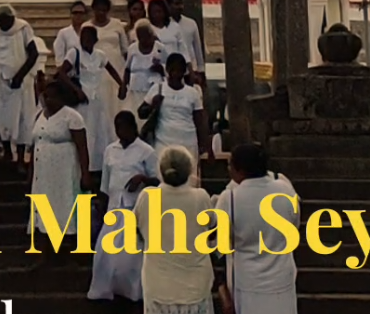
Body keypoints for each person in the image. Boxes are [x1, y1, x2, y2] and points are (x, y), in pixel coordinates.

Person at [211, 143, 299, 314]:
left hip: (247, 282)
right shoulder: (286, 190)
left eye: (230, 165)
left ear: (240, 169)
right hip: (282, 278)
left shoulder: (229, 198)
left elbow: (221, 244)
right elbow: (293, 226)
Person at [134, 144, 216, 314]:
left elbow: (135, 232)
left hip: (158, 285)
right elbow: (213, 232)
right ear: (189, 171)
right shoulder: (201, 198)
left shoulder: (147, 197)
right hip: (196, 286)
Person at [87, 110, 158, 302]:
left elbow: (158, 181)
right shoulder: (111, 150)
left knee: (131, 256)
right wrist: (102, 203)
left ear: (133, 128)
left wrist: (142, 178)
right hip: (113, 206)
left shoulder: (146, 151)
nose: (121, 132)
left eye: (125, 128)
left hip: (135, 208)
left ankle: (133, 293)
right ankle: (103, 290)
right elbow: (105, 181)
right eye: (118, 128)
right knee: (105, 251)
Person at [57, 25, 125, 173]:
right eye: (83, 37)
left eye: (89, 38)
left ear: (95, 40)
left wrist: (121, 85)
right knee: (84, 129)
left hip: (98, 98)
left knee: (99, 130)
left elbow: (111, 69)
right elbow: (61, 73)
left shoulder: (100, 55)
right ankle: (82, 166)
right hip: (82, 100)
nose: (85, 41)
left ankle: (97, 166)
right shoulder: (74, 53)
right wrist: (77, 90)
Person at [29, 79, 91, 241]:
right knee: (44, 208)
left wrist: (85, 174)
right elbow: (35, 143)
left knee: (65, 206)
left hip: (65, 171)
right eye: (46, 96)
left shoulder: (72, 117)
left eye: (53, 97)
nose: (49, 100)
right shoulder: (39, 116)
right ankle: (45, 252)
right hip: (43, 173)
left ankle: (69, 250)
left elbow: (82, 148)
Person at [0, 4, 39, 164]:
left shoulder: (23, 28)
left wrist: (20, 76)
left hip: (19, 83)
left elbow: (33, 54)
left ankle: (20, 158)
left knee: (22, 119)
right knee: (1, 118)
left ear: (12, 19)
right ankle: (7, 151)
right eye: (0, 20)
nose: (3, 24)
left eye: (6, 20)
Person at [140, 54, 210, 168]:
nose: (175, 74)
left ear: (184, 72)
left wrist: (207, 146)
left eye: (179, 70)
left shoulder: (193, 93)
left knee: (188, 179)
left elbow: (200, 121)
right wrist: (152, 105)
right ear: (167, 70)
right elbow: (141, 113)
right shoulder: (158, 89)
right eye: (173, 70)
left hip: (188, 143)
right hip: (163, 142)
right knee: (161, 178)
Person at [85, 0, 128, 128]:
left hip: (116, 70)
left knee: (115, 105)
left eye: (104, 10)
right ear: (93, 9)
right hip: (95, 72)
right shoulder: (86, 26)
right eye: (98, 10)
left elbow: (125, 50)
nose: (101, 13)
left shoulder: (117, 25)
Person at [122, 21, 167, 120]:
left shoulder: (160, 48)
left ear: (151, 34)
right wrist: (123, 86)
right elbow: (127, 69)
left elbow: (168, 68)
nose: (143, 39)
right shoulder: (132, 48)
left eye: (145, 36)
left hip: (153, 90)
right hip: (135, 89)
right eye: (140, 37)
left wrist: (160, 68)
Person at [166, 0, 206, 83]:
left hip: (190, 71)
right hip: (171, 71)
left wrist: (201, 71)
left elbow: (197, 48)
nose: (180, 7)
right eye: (176, 4)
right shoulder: (164, 25)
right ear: (168, 5)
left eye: (181, 4)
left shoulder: (191, 23)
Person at [51, 0, 89, 69]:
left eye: (81, 13)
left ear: (85, 15)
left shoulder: (90, 33)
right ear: (70, 15)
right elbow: (59, 58)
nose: (78, 15)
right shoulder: (63, 33)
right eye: (75, 13)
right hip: (69, 74)